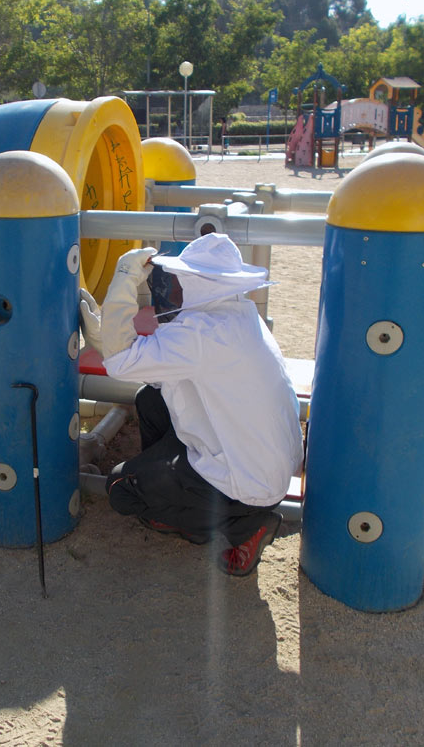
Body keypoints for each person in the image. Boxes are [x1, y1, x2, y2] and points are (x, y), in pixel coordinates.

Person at [79, 233, 303, 577]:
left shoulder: (202, 332)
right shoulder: (240, 316)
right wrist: (108, 340)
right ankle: (175, 490)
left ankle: (243, 525)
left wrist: (123, 279)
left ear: (196, 283)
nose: (175, 286)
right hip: (260, 462)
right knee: (151, 399)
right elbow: (166, 367)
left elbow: (123, 362)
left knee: (120, 490)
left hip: (247, 482)